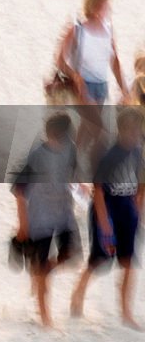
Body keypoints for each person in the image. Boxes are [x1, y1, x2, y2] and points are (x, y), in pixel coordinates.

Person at [70, 107, 144, 328]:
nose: (135, 135)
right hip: (107, 211)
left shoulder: (138, 151)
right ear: (121, 131)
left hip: (127, 210)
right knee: (99, 259)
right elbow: (99, 191)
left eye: (138, 131)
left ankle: (126, 312)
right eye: (132, 132)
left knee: (129, 261)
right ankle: (78, 293)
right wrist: (104, 222)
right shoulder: (110, 156)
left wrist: (138, 207)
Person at [11, 111, 80, 327]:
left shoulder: (71, 149)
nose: (65, 140)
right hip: (39, 218)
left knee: (70, 256)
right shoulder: (36, 156)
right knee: (41, 269)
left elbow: (72, 176)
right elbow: (19, 191)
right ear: (50, 134)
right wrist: (23, 224)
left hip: (63, 214)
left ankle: (41, 272)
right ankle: (45, 318)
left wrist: (81, 189)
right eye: (61, 135)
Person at [54, 0, 129, 159]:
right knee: (101, 133)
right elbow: (60, 60)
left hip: (101, 87)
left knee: (85, 134)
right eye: (105, 6)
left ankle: (67, 169)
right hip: (83, 87)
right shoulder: (77, 29)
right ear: (95, 8)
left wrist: (124, 88)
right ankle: (103, 177)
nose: (109, 10)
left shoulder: (109, 30)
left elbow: (114, 62)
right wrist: (75, 76)